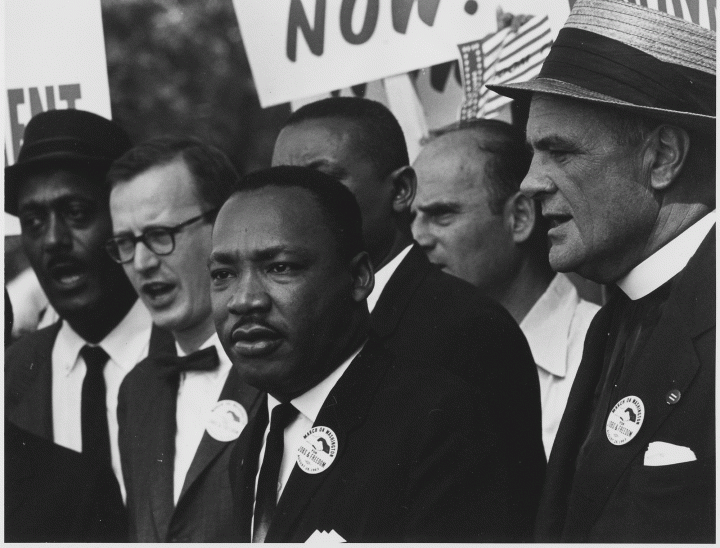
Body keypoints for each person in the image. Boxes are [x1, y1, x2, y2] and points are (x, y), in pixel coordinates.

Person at [488, 0, 716, 542]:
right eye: (533, 154)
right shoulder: (616, 318)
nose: (531, 182)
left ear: (662, 157)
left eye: (560, 153)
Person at [271, 96, 545, 538]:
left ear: (400, 191)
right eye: (281, 183)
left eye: (322, 181)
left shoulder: (466, 325)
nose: (293, 204)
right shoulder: (298, 329)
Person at [212, 166, 515, 542]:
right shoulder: (254, 435)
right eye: (222, 274)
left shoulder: (437, 421)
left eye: (280, 267)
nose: (244, 300)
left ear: (358, 278)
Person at [4, 109, 173, 541]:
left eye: (76, 212)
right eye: (33, 222)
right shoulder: (10, 376)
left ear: (124, 220)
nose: (53, 240)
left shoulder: (195, 352)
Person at [412, 118, 600, 457]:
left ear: (520, 218)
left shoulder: (601, 351)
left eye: (441, 214)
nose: (418, 237)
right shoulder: (415, 359)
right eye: (412, 218)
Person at [107, 137, 262, 542]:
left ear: (225, 223)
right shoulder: (137, 391)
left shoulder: (283, 369)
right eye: (125, 243)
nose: (141, 263)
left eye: (160, 234)